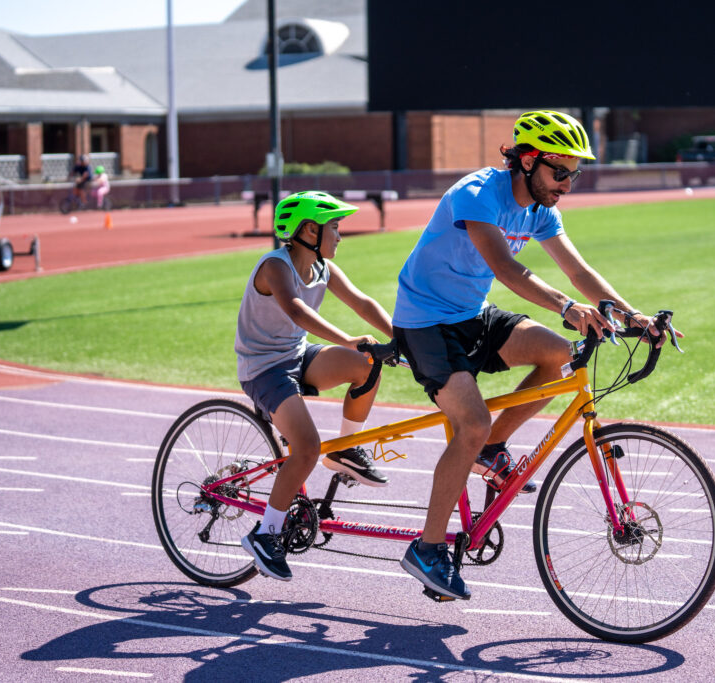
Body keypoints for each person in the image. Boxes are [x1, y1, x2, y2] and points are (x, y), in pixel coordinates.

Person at [393, 110, 676, 600]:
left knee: (557, 356)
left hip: (471, 314)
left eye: (574, 173)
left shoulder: (543, 210)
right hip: (424, 322)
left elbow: (578, 270)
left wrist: (633, 316)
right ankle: (429, 547)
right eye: (559, 171)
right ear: (526, 161)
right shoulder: (478, 193)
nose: (567, 183)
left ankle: (487, 450)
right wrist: (567, 307)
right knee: (472, 420)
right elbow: (505, 267)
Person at [236, 190, 395, 581]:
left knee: (367, 363)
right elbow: (296, 309)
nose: (340, 236)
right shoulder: (276, 265)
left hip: (297, 355)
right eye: (334, 228)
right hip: (264, 369)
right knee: (306, 448)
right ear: (309, 230)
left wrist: (403, 339)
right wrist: (347, 339)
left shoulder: (322, 267)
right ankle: (266, 532)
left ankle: (346, 450)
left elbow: (362, 302)